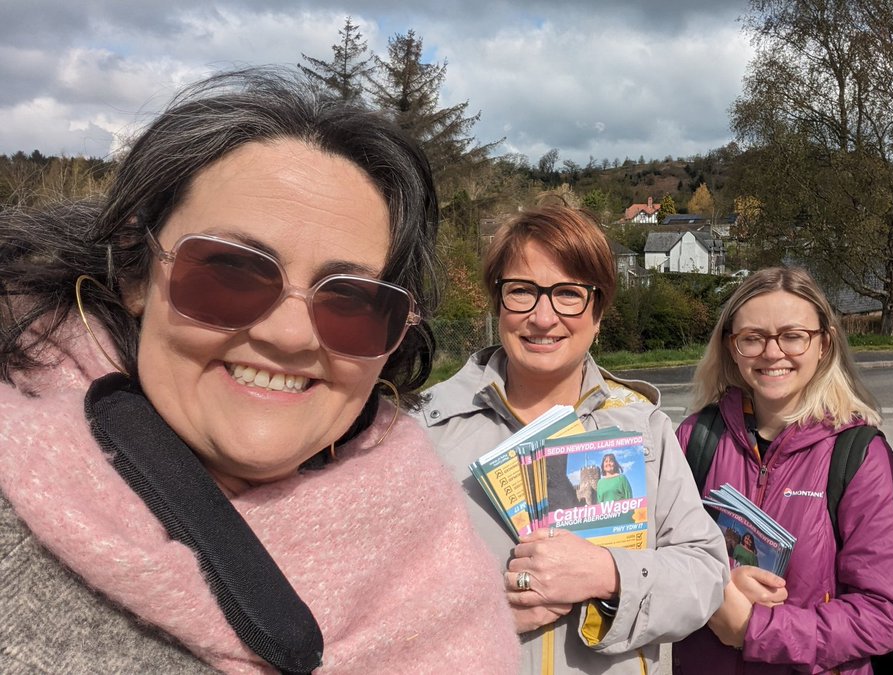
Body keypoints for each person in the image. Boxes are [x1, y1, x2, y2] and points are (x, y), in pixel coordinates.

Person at [0, 69, 518, 673]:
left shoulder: (436, 551)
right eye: (231, 272)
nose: (290, 336)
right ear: (136, 273)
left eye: (351, 300)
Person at [416, 205, 727, 674]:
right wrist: (474, 615)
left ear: (597, 312)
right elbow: (370, 599)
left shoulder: (644, 429)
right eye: (521, 291)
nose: (543, 318)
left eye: (568, 294)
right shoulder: (423, 431)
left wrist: (608, 574)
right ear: (497, 304)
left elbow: (705, 574)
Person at [674, 267, 893, 674]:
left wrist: (755, 628)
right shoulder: (695, 438)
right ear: (731, 347)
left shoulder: (858, 454)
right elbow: (653, 563)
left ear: (823, 344)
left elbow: (887, 612)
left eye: (793, 336)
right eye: (753, 338)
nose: (773, 353)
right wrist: (716, 588)